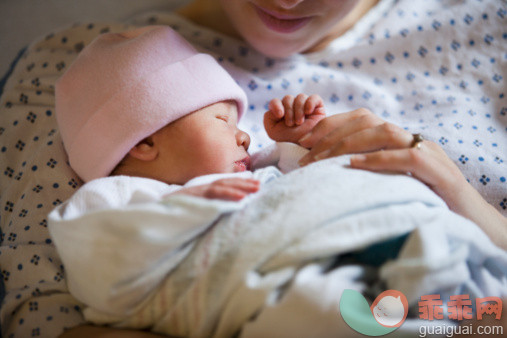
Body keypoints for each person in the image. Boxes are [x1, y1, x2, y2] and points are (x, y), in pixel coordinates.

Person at [0, 0, 505, 337]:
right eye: (223, 119)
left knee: (455, 286)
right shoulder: (112, 188)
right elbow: (88, 260)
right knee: (329, 309)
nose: (285, 0)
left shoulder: (488, 24)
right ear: (146, 143)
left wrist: (299, 143)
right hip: (320, 279)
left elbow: (299, 172)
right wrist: (183, 212)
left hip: (403, 234)